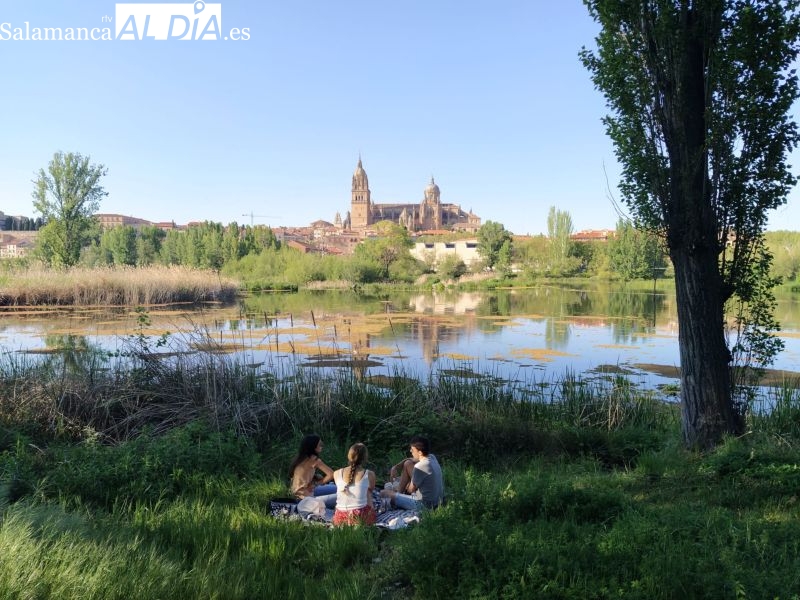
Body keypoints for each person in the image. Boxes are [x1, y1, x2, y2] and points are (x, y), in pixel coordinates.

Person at [381, 436, 443, 510]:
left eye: (412, 450)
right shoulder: (432, 457)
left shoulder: (419, 466)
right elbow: (411, 460)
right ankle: (399, 493)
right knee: (408, 463)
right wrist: (397, 466)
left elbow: (410, 490)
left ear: (419, 452)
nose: (410, 451)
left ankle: (397, 492)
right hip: (438, 501)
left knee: (383, 493)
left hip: (424, 505)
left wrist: (405, 483)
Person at [332, 443, 377, 526]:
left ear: (349, 456)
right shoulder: (369, 474)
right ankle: (371, 514)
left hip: (340, 518)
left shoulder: (336, 473)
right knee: (368, 492)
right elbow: (370, 491)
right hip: (360, 518)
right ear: (365, 458)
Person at [288, 434, 337, 508]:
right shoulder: (314, 460)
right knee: (341, 495)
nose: (322, 446)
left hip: (299, 493)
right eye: (320, 444)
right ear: (313, 447)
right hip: (306, 499)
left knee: (336, 488)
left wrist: (315, 479)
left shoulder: (299, 458)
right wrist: (316, 484)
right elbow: (331, 474)